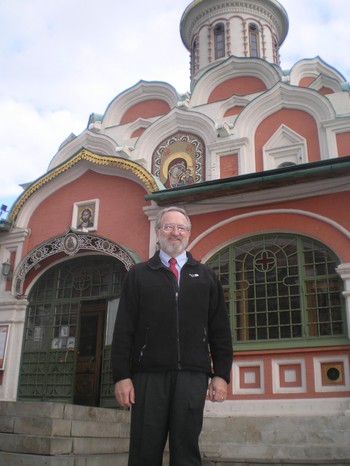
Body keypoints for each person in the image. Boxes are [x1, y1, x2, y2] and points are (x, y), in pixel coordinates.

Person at [111, 206, 233, 466]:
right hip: (148, 377)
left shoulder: (205, 276)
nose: (175, 233)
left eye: (181, 228)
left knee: (186, 450)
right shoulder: (139, 274)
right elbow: (124, 329)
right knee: (144, 450)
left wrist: (221, 374)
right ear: (158, 232)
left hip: (192, 374)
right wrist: (122, 376)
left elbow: (220, 330)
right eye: (168, 226)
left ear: (189, 233)